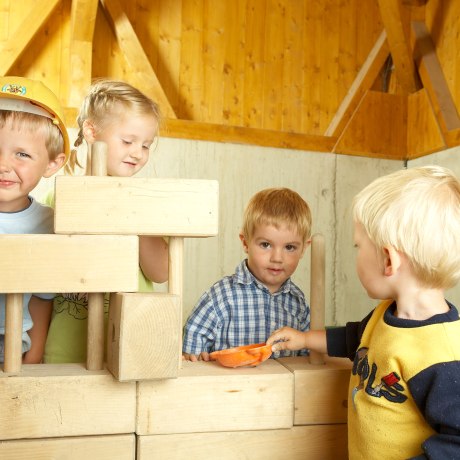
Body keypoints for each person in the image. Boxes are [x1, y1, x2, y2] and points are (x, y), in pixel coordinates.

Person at [267, 166, 460, 459]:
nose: (356, 255)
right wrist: (305, 340)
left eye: (359, 246)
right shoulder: (385, 316)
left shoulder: (440, 354)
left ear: (387, 260)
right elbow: (354, 339)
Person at [43, 79, 169, 363]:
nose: (138, 153)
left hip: (128, 344)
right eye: (128, 141)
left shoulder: (145, 202)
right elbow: (46, 274)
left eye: (146, 145)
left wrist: (132, 212)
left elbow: (160, 272)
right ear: (91, 131)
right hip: (67, 345)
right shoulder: (61, 196)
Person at [183, 187, 312, 362]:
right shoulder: (221, 296)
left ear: (304, 248)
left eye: (290, 247)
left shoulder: (299, 303)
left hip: (282, 388)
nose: (277, 258)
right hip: (231, 388)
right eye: (266, 244)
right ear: (245, 242)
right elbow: (191, 349)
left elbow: (306, 360)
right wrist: (196, 359)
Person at [0, 76, 69, 363]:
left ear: (52, 163)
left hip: (13, 350)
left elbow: (43, 299)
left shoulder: (48, 224)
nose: (4, 165)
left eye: (22, 154)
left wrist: (33, 359)